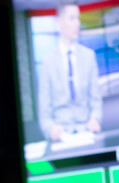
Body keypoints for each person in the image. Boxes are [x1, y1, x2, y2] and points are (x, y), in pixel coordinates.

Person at [37, 1, 103, 142]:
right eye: (72, 18)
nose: (77, 23)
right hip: (61, 135)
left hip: (87, 131)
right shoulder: (48, 62)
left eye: (78, 18)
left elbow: (96, 100)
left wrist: (95, 119)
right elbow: (44, 110)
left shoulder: (89, 56)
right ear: (60, 22)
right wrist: (50, 129)